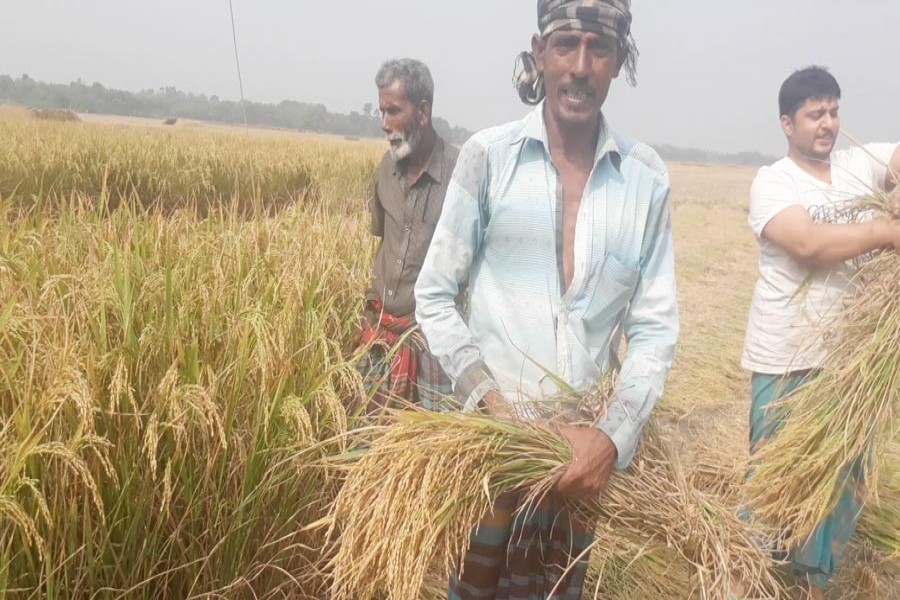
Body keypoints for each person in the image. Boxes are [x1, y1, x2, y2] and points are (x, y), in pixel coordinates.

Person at [414, 1, 679, 597]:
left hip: (582, 469)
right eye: (566, 45)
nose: (581, 66)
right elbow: (433, 296)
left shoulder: (645, 179)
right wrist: (494, 408)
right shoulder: (489, 158)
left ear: (618, 62)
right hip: (489, 455)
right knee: (472, 587)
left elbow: (655, 330)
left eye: (599, 48)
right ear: (540, 52)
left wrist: (610, 439)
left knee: (560, 591)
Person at [741, 65, 900, 599]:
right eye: (815, 114)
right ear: (787, 124)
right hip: (786, 355)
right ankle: (754, 573)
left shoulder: (860, 163)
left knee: (846, 477)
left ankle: (815, 582)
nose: (828, 123)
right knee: (778, 476)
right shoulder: (773, 182)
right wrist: (885, 232)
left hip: (851, 365)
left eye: (833, 111)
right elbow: (807, 246)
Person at [355, 58, 459, 412]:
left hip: (433, 345)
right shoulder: (386, 169)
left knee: (429, 453)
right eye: (381, 112)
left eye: (394, 112)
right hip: (379, 333)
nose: (384, 124)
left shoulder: (461, 177)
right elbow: (384, 244)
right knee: (364, 442)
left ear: (423, 112)